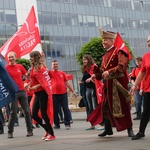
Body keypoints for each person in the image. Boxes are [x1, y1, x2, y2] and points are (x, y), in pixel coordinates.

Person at [88, 28, 134, 137]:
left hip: (118, 84)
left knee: (124, 107)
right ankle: (108, 129)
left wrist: (109, 72)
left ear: (111, 41)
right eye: (102, 40)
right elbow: (102, 71)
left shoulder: (119, 51)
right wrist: (96, 74)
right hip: (108, 85)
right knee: (105, 107)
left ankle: (130, 129)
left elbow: (121, 67)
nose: (103, 42)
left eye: (105, 40)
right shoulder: (104, 56)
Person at [29, 51, 55, 141]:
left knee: (44, 113)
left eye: (32, 57)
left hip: (43, 92)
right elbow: (34, 79)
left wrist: (36, 86)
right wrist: (29, 85)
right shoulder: (33, 68)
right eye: (30, 57)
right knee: (34, 114)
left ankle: (51, 133)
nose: (30, 58)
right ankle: (47, 130)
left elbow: (44, 81)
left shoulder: (41, 67)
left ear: (36, 57)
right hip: (37, 93)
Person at [6, 51, 33, 138]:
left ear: (15, 57)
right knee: (13, 112)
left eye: (12, 57)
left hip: (22, 91)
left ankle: (30, 130)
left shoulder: (20, 66)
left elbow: (27, 76)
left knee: (27, 111)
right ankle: (10, 131)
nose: (11, 58)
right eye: (9, 57)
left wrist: (28, 83)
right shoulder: (6, 68)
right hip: (12, 93)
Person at [130, 35, 150, 140]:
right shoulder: (146, 56)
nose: (148, 43)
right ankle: (141, 132)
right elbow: (141, 73)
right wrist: (135, 85)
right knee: (146, 111)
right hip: (148, 89)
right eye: (147, 41)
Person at [48, 60, 77, 130]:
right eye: (54, 64)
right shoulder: (50, 73)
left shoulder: (62, 73)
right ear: (51, 66)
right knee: (55, 110)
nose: (55, 66)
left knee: (65, 108)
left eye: (56, 64)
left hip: (63, 93)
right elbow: (44, 68)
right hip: (54, 94)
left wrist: (73, 91)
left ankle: (67, 123)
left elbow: (67, 82)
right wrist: (42, 57)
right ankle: (57, 124)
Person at [79, 55, 98, 130]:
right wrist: (81, 82)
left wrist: (91, 78)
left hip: (94, 88)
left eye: (85, 60)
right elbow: (84, 78)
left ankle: (101, 123)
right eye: (83, 60)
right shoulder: (85, 69)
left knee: (95, 106)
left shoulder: (94, 67)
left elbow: (97, 75)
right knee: (89, 107)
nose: (84, 61)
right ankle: (92, 124)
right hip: (87, 89)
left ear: (89, 60)